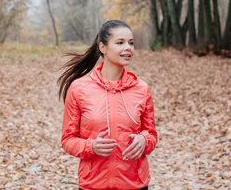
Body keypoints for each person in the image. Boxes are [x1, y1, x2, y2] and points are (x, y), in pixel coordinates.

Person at [58, 20, 158, 190]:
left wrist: (144, 139)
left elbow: (151, 134)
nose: (128, 48)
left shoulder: (141, 89)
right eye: (120, 42)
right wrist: (91, 146)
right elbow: (68, 139)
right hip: (93, 184)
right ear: (103, 47)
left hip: (135, 184)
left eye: (131, 43)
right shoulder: (79, 88)